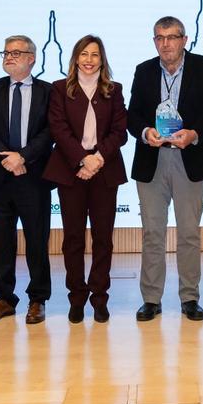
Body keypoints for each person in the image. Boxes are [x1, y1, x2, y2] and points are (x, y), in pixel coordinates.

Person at [127, 16, 203, 322]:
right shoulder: (144, 71)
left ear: (185, 39)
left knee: (189, 234)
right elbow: (132, 115)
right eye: (159, 38)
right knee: (152, 233)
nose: (165, 43)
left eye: (172, 37)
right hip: (152, 159)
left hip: (188, 158)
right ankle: (151, 299)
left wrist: (195, 134)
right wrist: (145, 132)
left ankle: (190, 297)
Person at [44, 35, 129, 324]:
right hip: (71, 171)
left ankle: (100, 297)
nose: (89, 59)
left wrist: (96, 159)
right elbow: (58, 128)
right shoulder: (59, 89)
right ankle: (76, 298)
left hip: (104, 170)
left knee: (103, 238)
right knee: (73, 239)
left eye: (94, 54)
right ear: (75, 58)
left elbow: (120, 131)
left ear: (102, 59)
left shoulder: (113, 90)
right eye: (84, 54)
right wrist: (82, 158)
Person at [0, 35, 54, 325]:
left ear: (31, 58)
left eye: (16, 53)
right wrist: (6, 158)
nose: (9, 57)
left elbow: (50, 131)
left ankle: (38, 298)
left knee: (37, 240)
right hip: (0, 176)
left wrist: (23, 157)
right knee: (1, 241)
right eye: (6, 52)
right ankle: (5, 298)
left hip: (34, 177)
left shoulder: (48, 91)